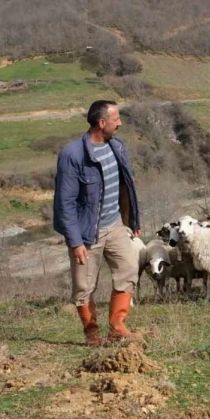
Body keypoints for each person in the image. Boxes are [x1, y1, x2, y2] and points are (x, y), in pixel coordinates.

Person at [53, 100, 142, 346]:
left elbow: (127, 186)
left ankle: (117, 327)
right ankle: (92, 334)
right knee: (83, 287)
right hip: (86, 233)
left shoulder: (117, 147)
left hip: (115, 225)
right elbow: (65, 202)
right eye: (116, 119)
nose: (120, 123)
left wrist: (132, 219)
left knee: (128, 270)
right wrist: (75, 241)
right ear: (102, 123)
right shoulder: (72, 155)